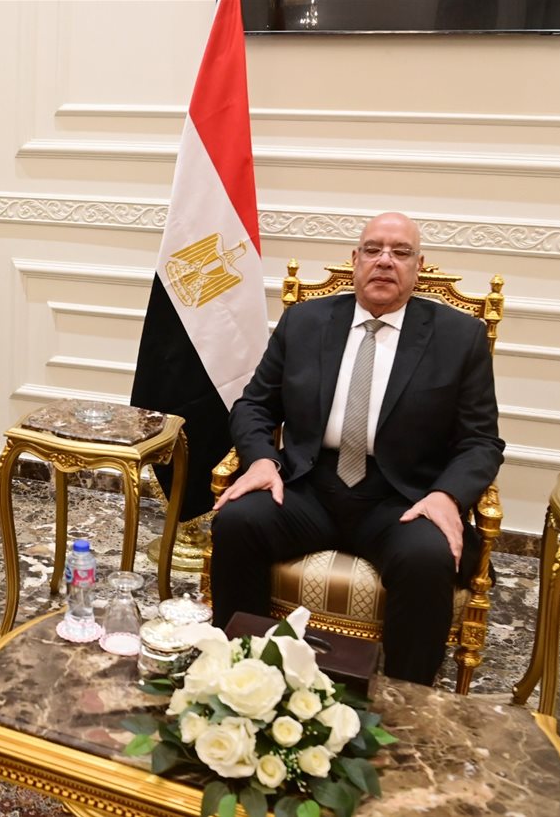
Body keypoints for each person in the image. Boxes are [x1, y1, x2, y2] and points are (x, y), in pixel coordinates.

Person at [210, 211, 504, 686]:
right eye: (373, 249)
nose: (385, 261)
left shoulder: (458, 336)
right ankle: (244, 678)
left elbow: (481, 440)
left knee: (428, 558)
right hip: (309, 485)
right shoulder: (305, 321)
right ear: (355, 259)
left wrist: (448, 496)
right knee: (238, 522)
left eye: (400, 252)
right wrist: (262, 459)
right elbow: (254, 406)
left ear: (418, 267)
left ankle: (405, 702)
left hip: (401, 498)